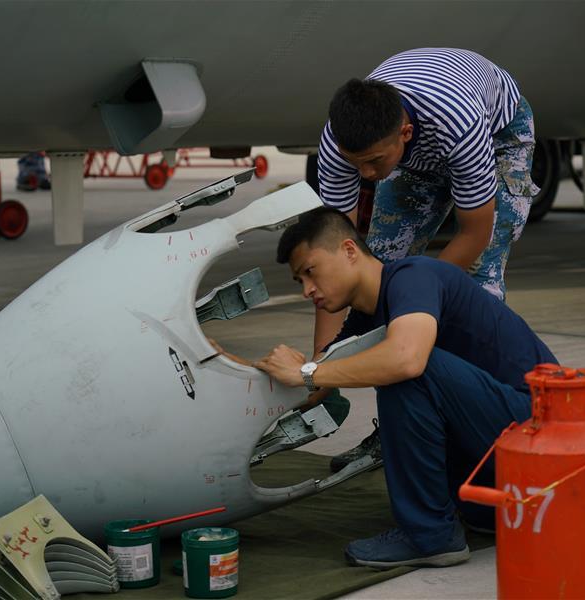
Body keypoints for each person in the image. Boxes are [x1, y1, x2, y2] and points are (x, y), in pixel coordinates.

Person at [217, 207, 557, 568]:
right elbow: (312, 389)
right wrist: (224, 362)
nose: (306, 290)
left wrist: (306, 372)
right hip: (502, 463)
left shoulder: (413, 276)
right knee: (392, 363)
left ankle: (430, 536)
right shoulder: (366, 319)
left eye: (310, 271)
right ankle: (472, 512)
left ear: (349, 250)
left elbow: (406, 360)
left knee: (403, 367)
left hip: (545, 437)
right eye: (299, 280)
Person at [314, 48, 541, 471]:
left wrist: (409, 301)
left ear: (403, 132)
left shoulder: (458, 123)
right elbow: (337, 263)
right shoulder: (341, 143)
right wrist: (320, 370)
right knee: (376, 272)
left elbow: (474, 234)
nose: (366, 175)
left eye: (373, 163)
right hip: (417, 153)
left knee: (475, 289)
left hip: (497, 137)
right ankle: (397, 432)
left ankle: (480, 435)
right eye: (355, 164)